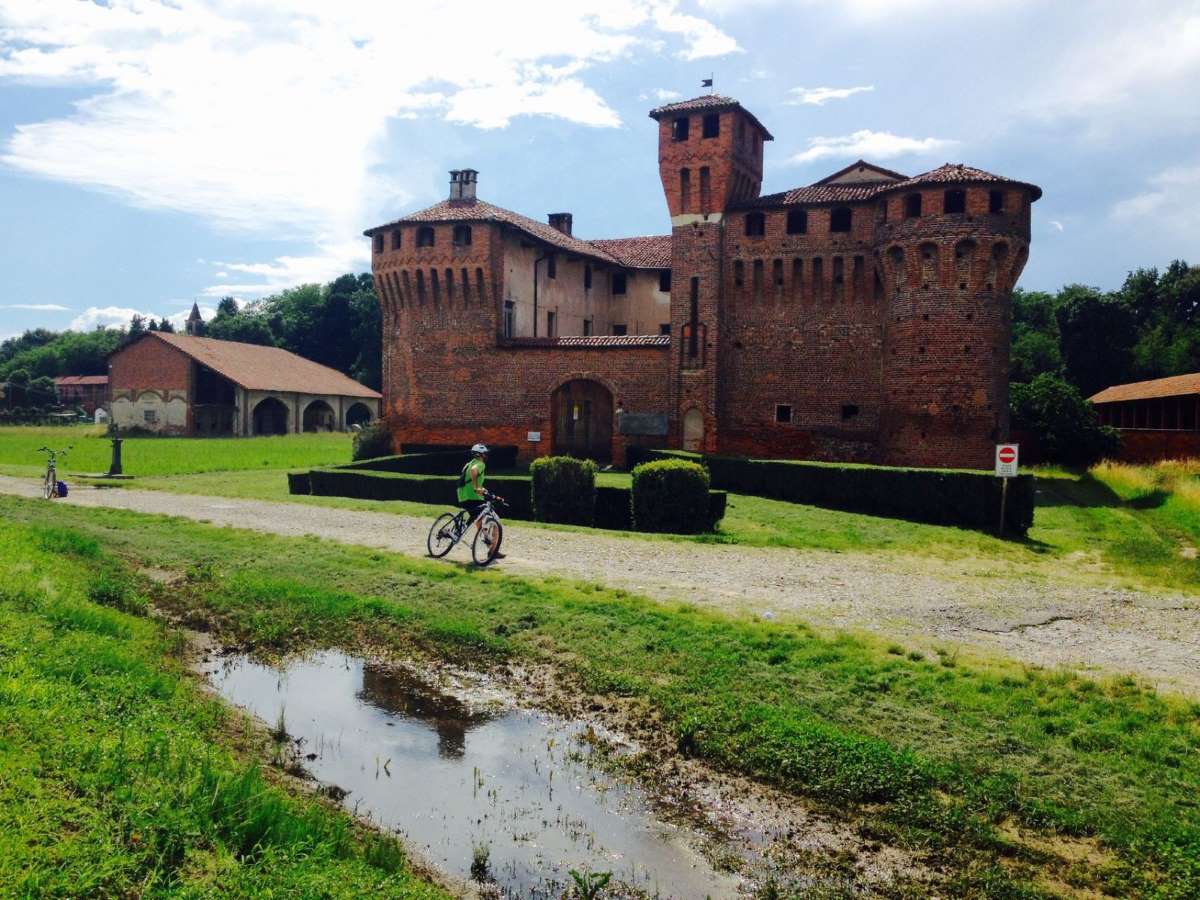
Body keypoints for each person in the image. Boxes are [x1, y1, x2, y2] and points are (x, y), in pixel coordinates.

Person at [457, 443, 504, 558]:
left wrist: (488, 493)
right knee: (496, 521)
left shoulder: (468, 464)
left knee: (478, 519)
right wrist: (475, 487)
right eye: (485, 453)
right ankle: (493, 551)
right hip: (473, 497)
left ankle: (484, 538)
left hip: (462, 496)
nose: (486, 456)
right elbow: (474, 472)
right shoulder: (480, 464)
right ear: (481, 454)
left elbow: (471, 481)